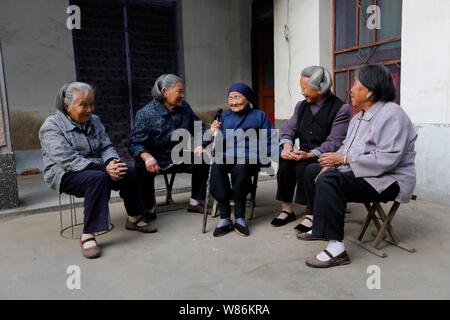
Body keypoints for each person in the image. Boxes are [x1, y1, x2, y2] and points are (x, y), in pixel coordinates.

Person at [299, 65, 417, 268]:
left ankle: (337, 249)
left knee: (331, 180)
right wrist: (332, 163)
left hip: (389, 180)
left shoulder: (392, 114)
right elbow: (346, 148)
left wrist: (342, 161)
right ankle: (320, 225)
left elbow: (388, 158)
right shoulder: (358, 117)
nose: (351, 89)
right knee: (312, 170)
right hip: (364, 173)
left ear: (370, 91)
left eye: (355, 83)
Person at [39, 82, 156, 259]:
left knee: (129, 171)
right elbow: (67, 159)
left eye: (92, 104)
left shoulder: (95, 121)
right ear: (67, 106)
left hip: (98, 168)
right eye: (83, 105)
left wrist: (112, 162)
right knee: (97, 178)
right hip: (64, 173)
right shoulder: (51, 126)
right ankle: (88, 234)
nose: (89, 109)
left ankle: (134, 218)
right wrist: (104, 169)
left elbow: (106, 146)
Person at [271, 66, 351, 232]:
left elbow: (335, 141)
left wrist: (309, 154)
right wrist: (288, 146)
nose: (302, 92)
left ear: (320, 88)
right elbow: (289, 129)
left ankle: (311, 213)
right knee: (285, 162)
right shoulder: (301, 106)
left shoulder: (341, 109)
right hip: (302, 152)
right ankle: (287, 209)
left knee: (305, 168)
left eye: (305, 88)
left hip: (324, 155)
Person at [129, 74, 209, 220]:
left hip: (179, 154)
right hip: (157, 158)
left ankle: (195, 201)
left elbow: (199, 128)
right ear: (165, 91)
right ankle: (148, 208)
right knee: (140, 165)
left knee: (203, 158)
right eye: (179, 91)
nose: (182, 95)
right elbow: (135, 142)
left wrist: (200, 144)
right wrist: (147, 156)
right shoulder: (146, 113)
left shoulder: (184, 107)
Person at [209, 83, 274, 237]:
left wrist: (273, 155)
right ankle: (225, 217)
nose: (233, 102)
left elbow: (270, 138)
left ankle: (239, 217)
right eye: (230, 98)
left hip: (250, 157)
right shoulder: (223, 117)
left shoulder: (260, 116)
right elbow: (215, 142)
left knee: (242, 166)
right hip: (227, 155)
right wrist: (213, 131)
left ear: (248, 99)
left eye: (237, 97)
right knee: (216, 166)